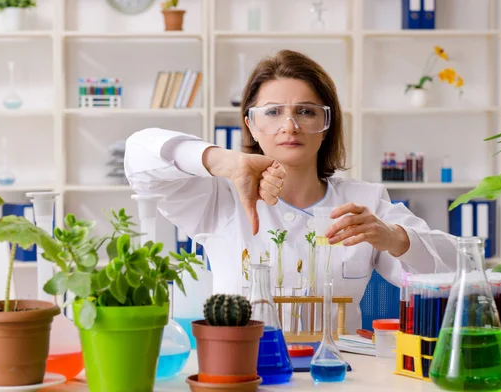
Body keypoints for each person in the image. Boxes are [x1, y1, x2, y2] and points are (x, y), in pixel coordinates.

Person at [124, 49, 457, 334]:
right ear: (251, 125)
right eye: (272, 112)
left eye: (306, 111)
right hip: (247, 373)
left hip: (337, 373)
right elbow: (138, 156)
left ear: (326, 126)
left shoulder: (365, 202)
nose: (290, 126)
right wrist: (225, 162)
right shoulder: (218, 197)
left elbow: (454, 273)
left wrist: (396, 239)